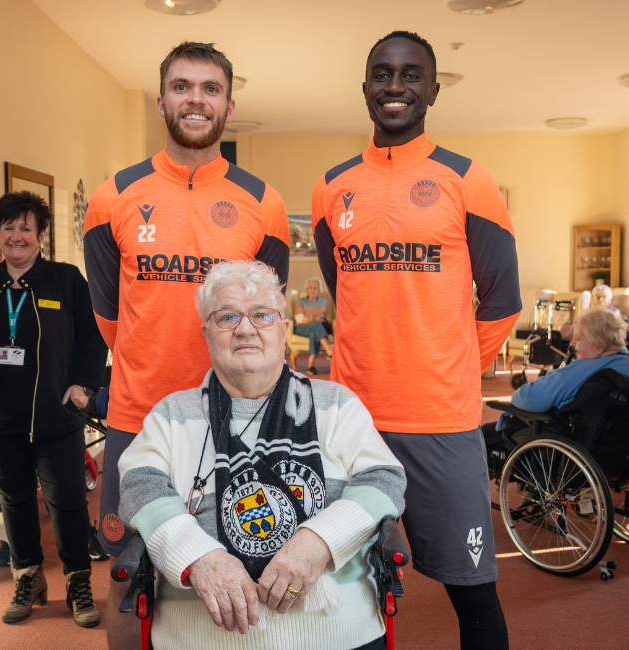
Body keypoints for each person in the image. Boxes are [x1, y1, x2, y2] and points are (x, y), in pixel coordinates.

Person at [311, 31, 521, 649]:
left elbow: (503, 300)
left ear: (433, 89)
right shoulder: (332, 185)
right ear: (367, 87)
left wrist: (452, 368)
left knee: (473, 593)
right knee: (341, 588)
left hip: (441, 422)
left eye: (409, 75)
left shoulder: (467, 180)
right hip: (350, 420)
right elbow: (341, 286)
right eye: (382, 74)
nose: (394, 86)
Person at [83, 41, 290, 648]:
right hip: (138, 416)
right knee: (128, 570)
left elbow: (266, 315)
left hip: (240, 418)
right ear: (161, 100)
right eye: (182, 87)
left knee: (239, 562)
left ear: (229, 103)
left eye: (210, 89)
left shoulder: (264, 203)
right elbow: (110, 316)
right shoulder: (113, 195)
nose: (195, 100)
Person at [118, 261, 405, 649]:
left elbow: (384, 478)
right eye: (227, 316)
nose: (245, 328)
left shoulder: (335, 404)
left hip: (334, 631)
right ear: (207, 333)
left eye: (261, 315)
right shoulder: (172, 414)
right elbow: (139, 484)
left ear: (282, 328)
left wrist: (317, 542)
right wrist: (200, 557)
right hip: (202, 636)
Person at [0, 191, 108, 627]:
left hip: (53, 416)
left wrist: (83, 386)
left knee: (68, 502)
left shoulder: (66, 280)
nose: (16, 236)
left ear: (40, 236)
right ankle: (28, 577)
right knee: (14, 501)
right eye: (8, 228)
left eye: (25, 228)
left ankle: (77, 582)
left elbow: (94, 338)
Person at [508, 307, 629, 414]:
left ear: (600, 346)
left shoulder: (580, 371)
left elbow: (527, 398)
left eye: (578, 338)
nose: (571, 344)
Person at [293, 277, 334, 374]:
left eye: (315, 288)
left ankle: (310, 366)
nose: (313, 290)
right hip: (300, 328)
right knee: (316, 324)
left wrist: (308, 318)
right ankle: (329, 352)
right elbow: (299, 319)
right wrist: (314, 318)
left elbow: (322, 317)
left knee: (313, 334)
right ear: (307, 289)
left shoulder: (323, 301)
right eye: (310, 287)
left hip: (315, 329)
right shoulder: (301, 301)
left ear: (319, 289)